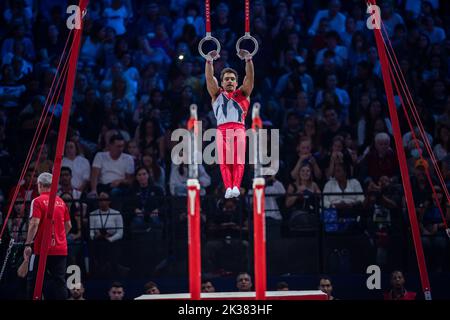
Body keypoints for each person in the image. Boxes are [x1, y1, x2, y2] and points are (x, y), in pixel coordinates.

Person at [205, 47, 254, 199]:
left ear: (237, 82)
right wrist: (209, 61)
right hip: (222, 130)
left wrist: (248, 59)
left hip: (239, 128)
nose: (230, 81)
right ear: (222, 82)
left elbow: (250, 77)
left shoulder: (243, 93)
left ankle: (236, 186)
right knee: (225, 162)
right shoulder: (216, 94)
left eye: (232, 79)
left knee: (238, 160)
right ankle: (228, 187)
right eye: (226, 79)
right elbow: (209, 78)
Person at [23, 172, 72, 300]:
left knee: (33, 281)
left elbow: (34, 224)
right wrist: (60, 238)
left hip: (42, 249)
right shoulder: (61, 202)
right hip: (60, 249)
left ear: (39, 185)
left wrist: (28, 243)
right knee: (59, 282)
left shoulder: (37, 201)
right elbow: (69, 225)